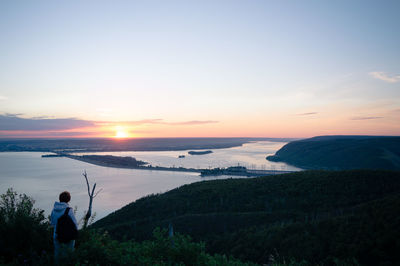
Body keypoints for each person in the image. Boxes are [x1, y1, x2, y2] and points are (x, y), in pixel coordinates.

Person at [50, 191, 78, 263]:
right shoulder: (69, 210)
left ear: (60, 199)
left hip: (57, 235)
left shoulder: (54, 210)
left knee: (57, 255)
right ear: (69, 199)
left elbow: (52, 223)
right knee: (68, 254)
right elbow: (75, 224)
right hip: (68, 236)